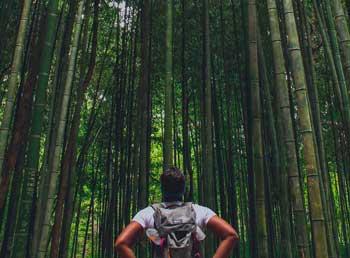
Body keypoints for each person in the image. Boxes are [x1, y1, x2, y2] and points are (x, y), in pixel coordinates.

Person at [115, 167, 239, 258]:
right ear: (183, 189)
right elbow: (231, 235)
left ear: (162, 189)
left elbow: (121, 243)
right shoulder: (198, 211)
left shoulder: (148, 213)